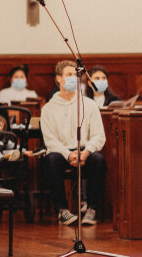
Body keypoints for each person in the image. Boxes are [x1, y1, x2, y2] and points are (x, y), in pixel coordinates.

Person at [40, 60, 106, 226]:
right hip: (62, 153)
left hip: (85, 151)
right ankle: (62, 210)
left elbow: (99, 135)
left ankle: (92, 209)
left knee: (98, 160)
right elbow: (50, 140)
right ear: (58, 79)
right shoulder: (48, 109)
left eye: (75, 75)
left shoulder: (89, 104)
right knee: (51, 159)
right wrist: (68, 154)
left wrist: (86, 152)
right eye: (68, 75)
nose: (73, 78)